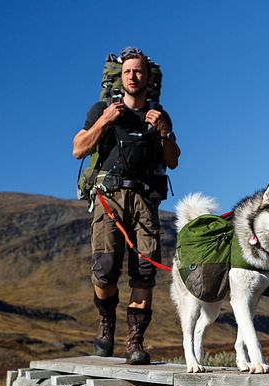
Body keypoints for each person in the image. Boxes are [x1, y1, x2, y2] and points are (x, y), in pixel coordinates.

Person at [72, 47, 180, 364]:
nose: (134, 76)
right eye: (128, 72)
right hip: (109, 197)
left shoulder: (160, 115)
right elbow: (78, 149)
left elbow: (172, 161)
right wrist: (104, 121)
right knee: (104, 271)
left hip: (145, 201)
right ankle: (107, 326)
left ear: (148, 78)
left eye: (139, 71)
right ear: (120, 78)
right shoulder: (101, 110)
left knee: (145, 272)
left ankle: (134, 342)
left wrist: (164, 131)